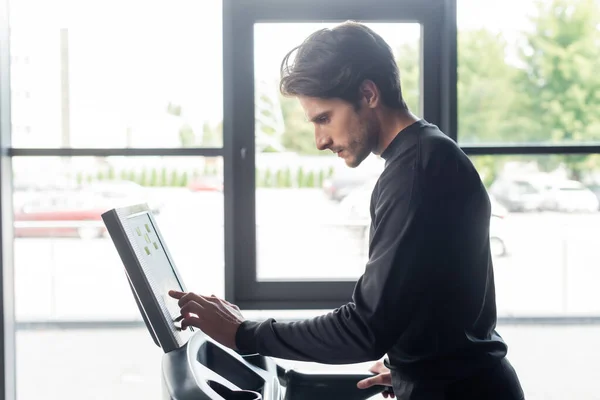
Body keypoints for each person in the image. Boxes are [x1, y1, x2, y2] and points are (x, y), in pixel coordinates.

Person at [168, 21, 524, 399]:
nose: (320, 141)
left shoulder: (416, 174)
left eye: (324, 118)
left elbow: (364, 330)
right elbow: (437, 296)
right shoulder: (425, 157)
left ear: (369, 94)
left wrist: (244, 333)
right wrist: (407, 365)